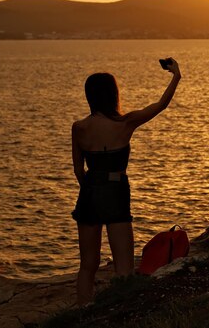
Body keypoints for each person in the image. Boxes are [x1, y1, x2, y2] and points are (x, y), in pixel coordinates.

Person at [71, 58, 181, 305]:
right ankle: (121, 311)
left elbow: (78, 169)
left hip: (89, 192)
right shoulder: (126, 122)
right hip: (115, 192)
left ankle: (82, 312)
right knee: (123, 264)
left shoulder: (78, 127)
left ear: (89, 96)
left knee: (88, 264)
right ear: (113, 95)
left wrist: (90, 190)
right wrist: (176, 76)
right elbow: (160, 105)